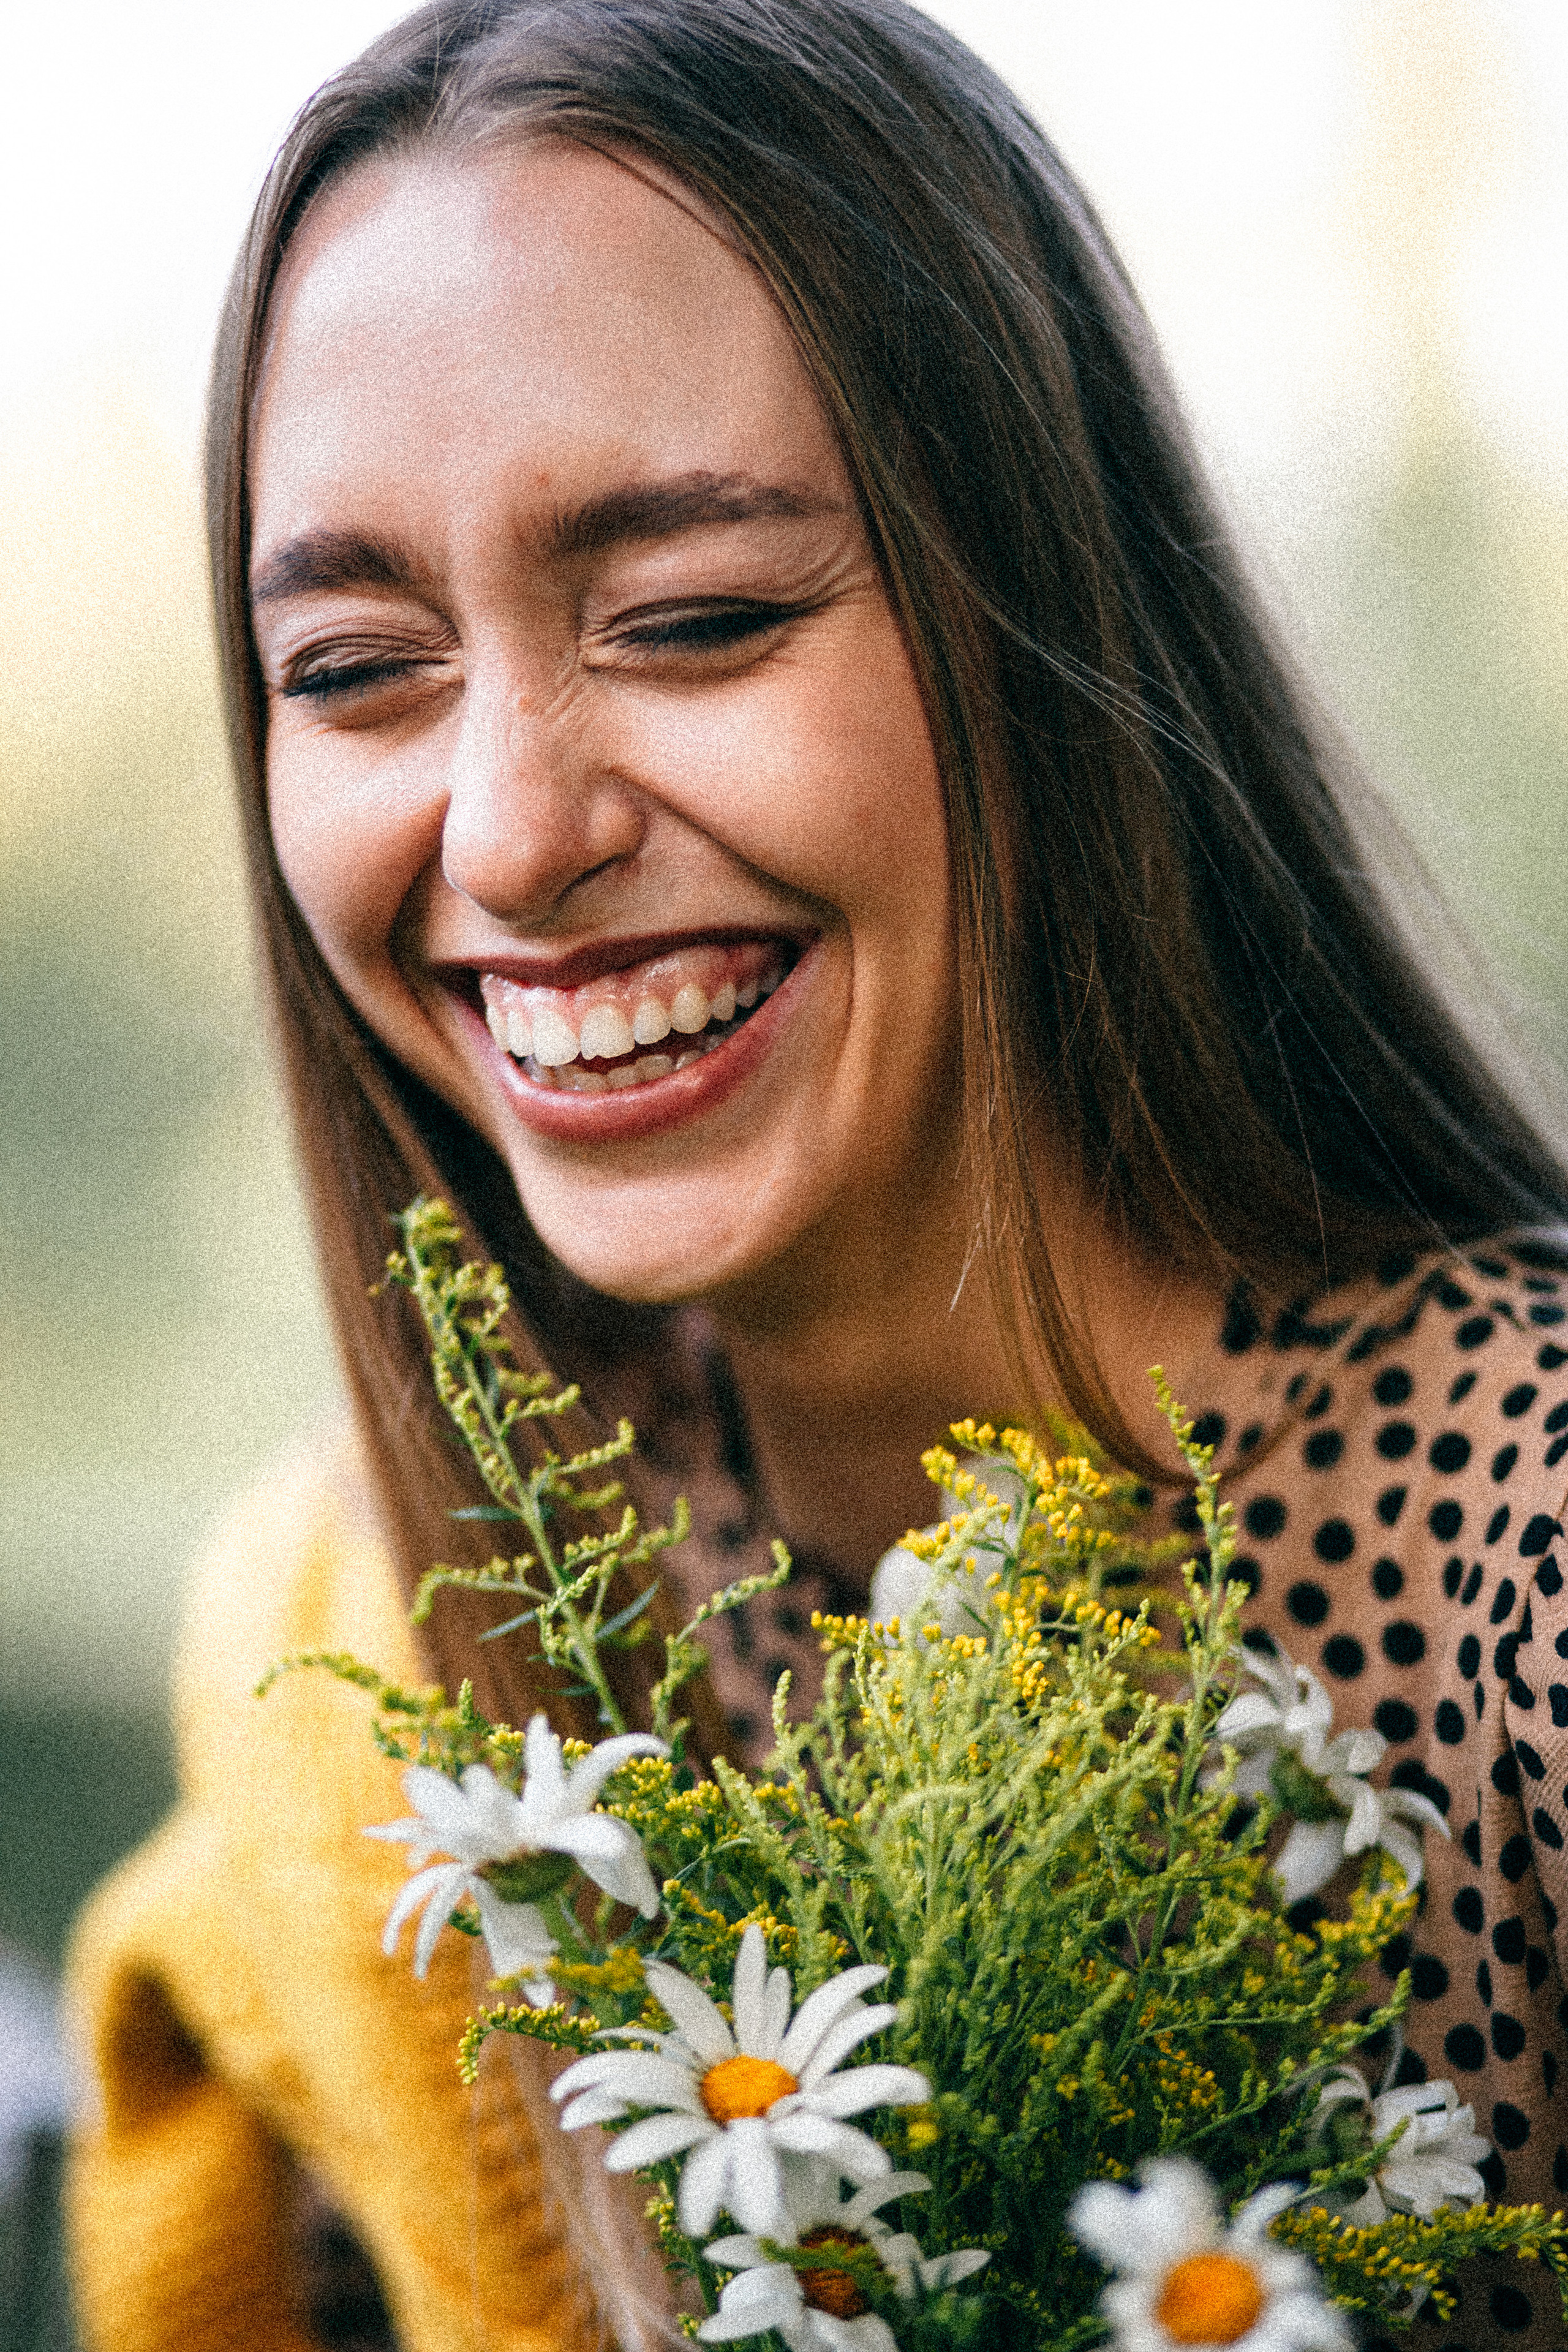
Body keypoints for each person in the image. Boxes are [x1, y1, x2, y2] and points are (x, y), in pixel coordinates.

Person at [63, 3, 1568, 2347]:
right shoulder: (387, 1659)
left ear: (1067, 626)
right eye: (357, 668)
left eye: (695, 621)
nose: (509, 832)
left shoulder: (1523, 1581)